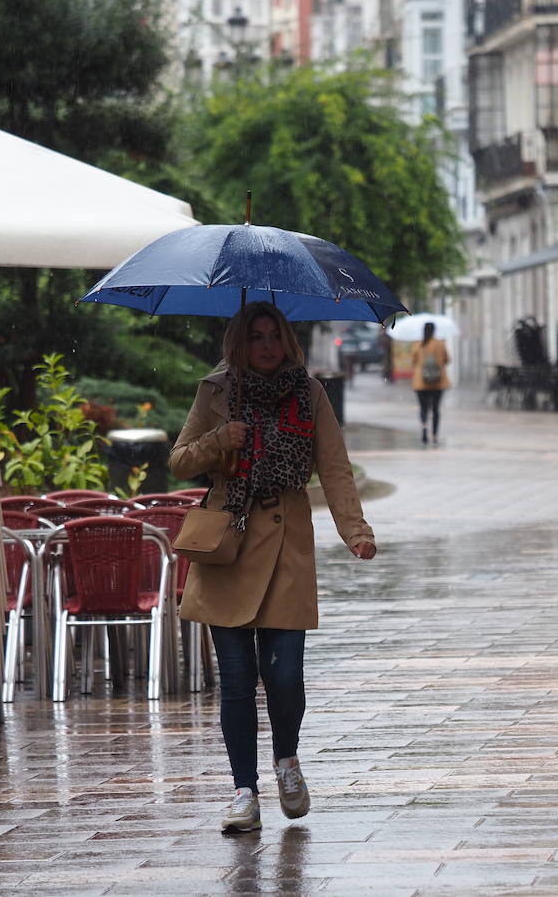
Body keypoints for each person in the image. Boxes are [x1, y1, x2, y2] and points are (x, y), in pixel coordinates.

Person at [170, 301, 378, 834]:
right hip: (228, 548)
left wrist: (355, 532)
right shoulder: (216, 392)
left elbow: (334, 467)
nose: (266, 345)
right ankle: (244, 791)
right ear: (239, 342)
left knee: (283, 675)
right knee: (237, 681)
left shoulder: (309, 395)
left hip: (287, 545)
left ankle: (286, 759)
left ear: (286, 340)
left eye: (274, 336)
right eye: (256, 336)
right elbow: (179, 460)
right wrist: (221, 440)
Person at [411, 322, 451, 445]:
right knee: (435, 409)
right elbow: (447, 360)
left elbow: (413, 362)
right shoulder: (440, 344)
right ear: (434, 330)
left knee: (423, 408)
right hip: (437, 382)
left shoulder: (418, 345)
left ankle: (424, 428)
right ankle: (434, 435)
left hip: (420, 382)